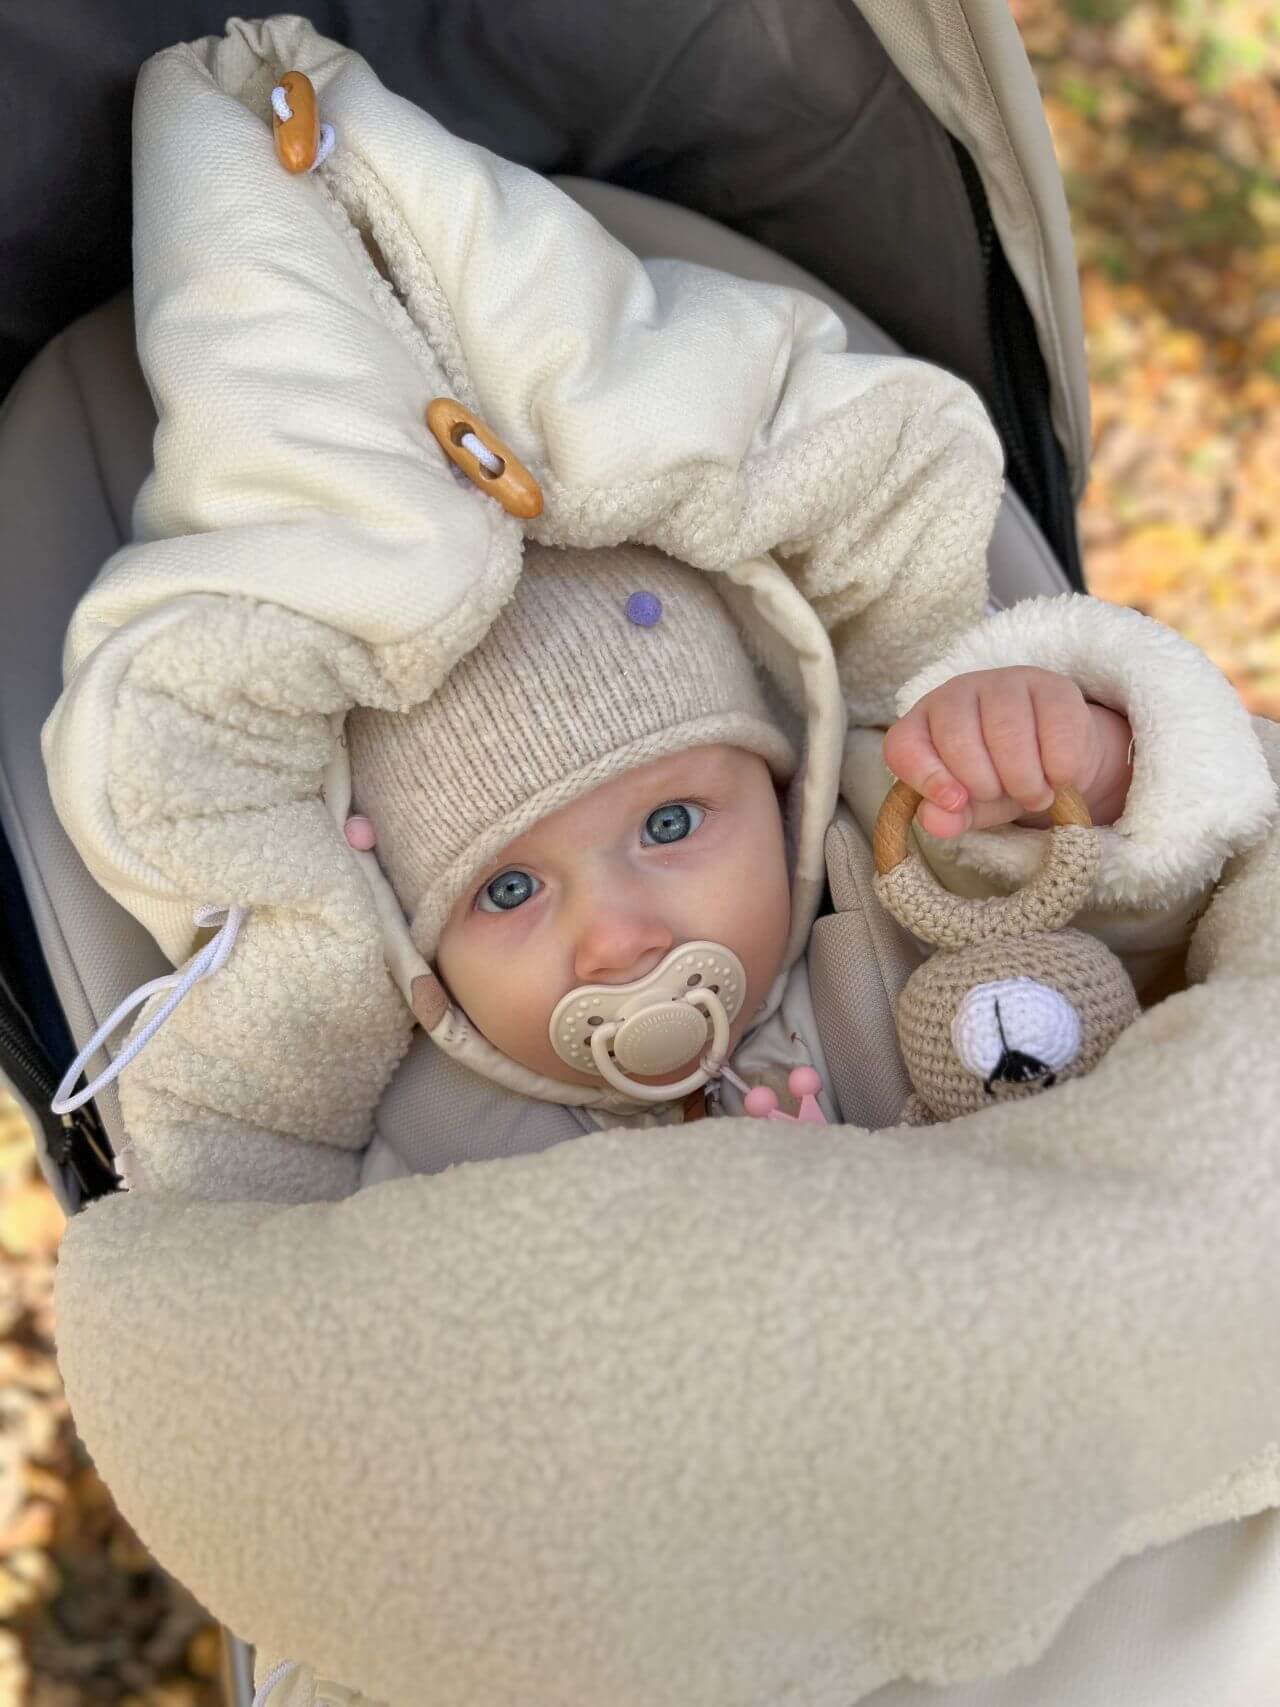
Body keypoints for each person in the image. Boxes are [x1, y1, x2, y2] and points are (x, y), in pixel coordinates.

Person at [345, 540, 1143, 1149]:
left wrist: (1065, 766)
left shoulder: (890, 888)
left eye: (670, 824)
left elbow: (1129, 914)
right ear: (424, 955)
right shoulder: (433, 1137)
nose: (618, 941)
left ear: (782, 800)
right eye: (509, 890)